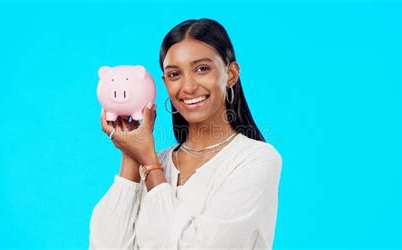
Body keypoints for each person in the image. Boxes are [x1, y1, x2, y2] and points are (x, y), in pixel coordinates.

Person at [89, 18, 282, 249]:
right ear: (165, 83)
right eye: (174, 74)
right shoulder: (155, 160)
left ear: (231, 74)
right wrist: (131, 155)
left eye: (202, 69)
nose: (188, 87)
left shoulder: (256, 159)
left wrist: (150, 166)